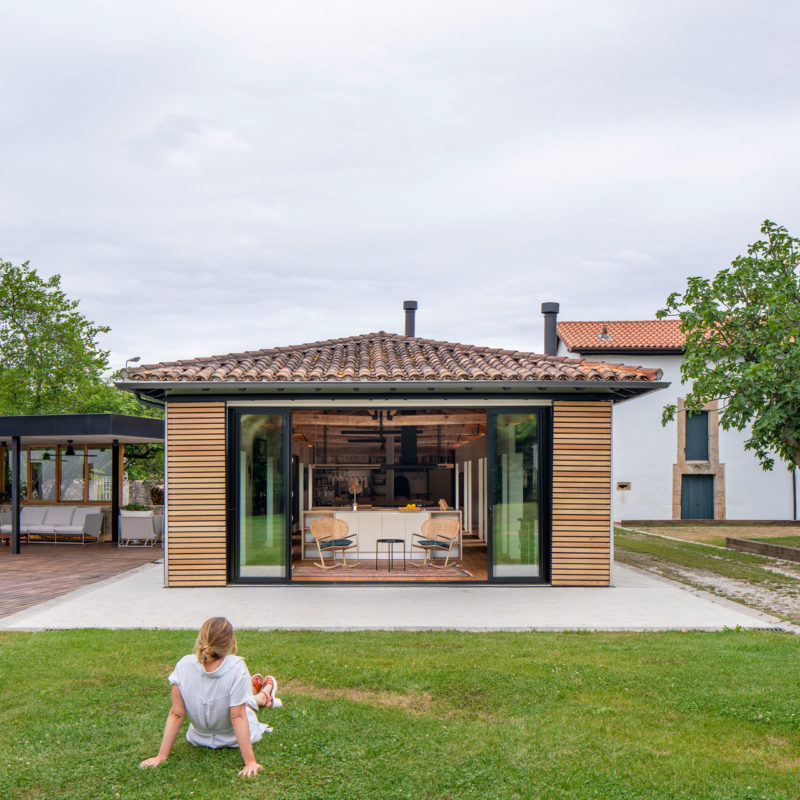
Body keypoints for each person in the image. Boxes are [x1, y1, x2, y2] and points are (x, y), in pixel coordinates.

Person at [140, 616, 282, 778]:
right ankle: (265, 694)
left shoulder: (183, 665)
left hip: (198, 737)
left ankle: (257, 692)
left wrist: (161, 756)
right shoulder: (237, 668)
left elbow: (176, 714)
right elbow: (238, 716)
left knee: (240, 702)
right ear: (231, 642)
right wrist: (250, 761)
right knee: (244, 705)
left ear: (201, 639)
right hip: (231, 737)